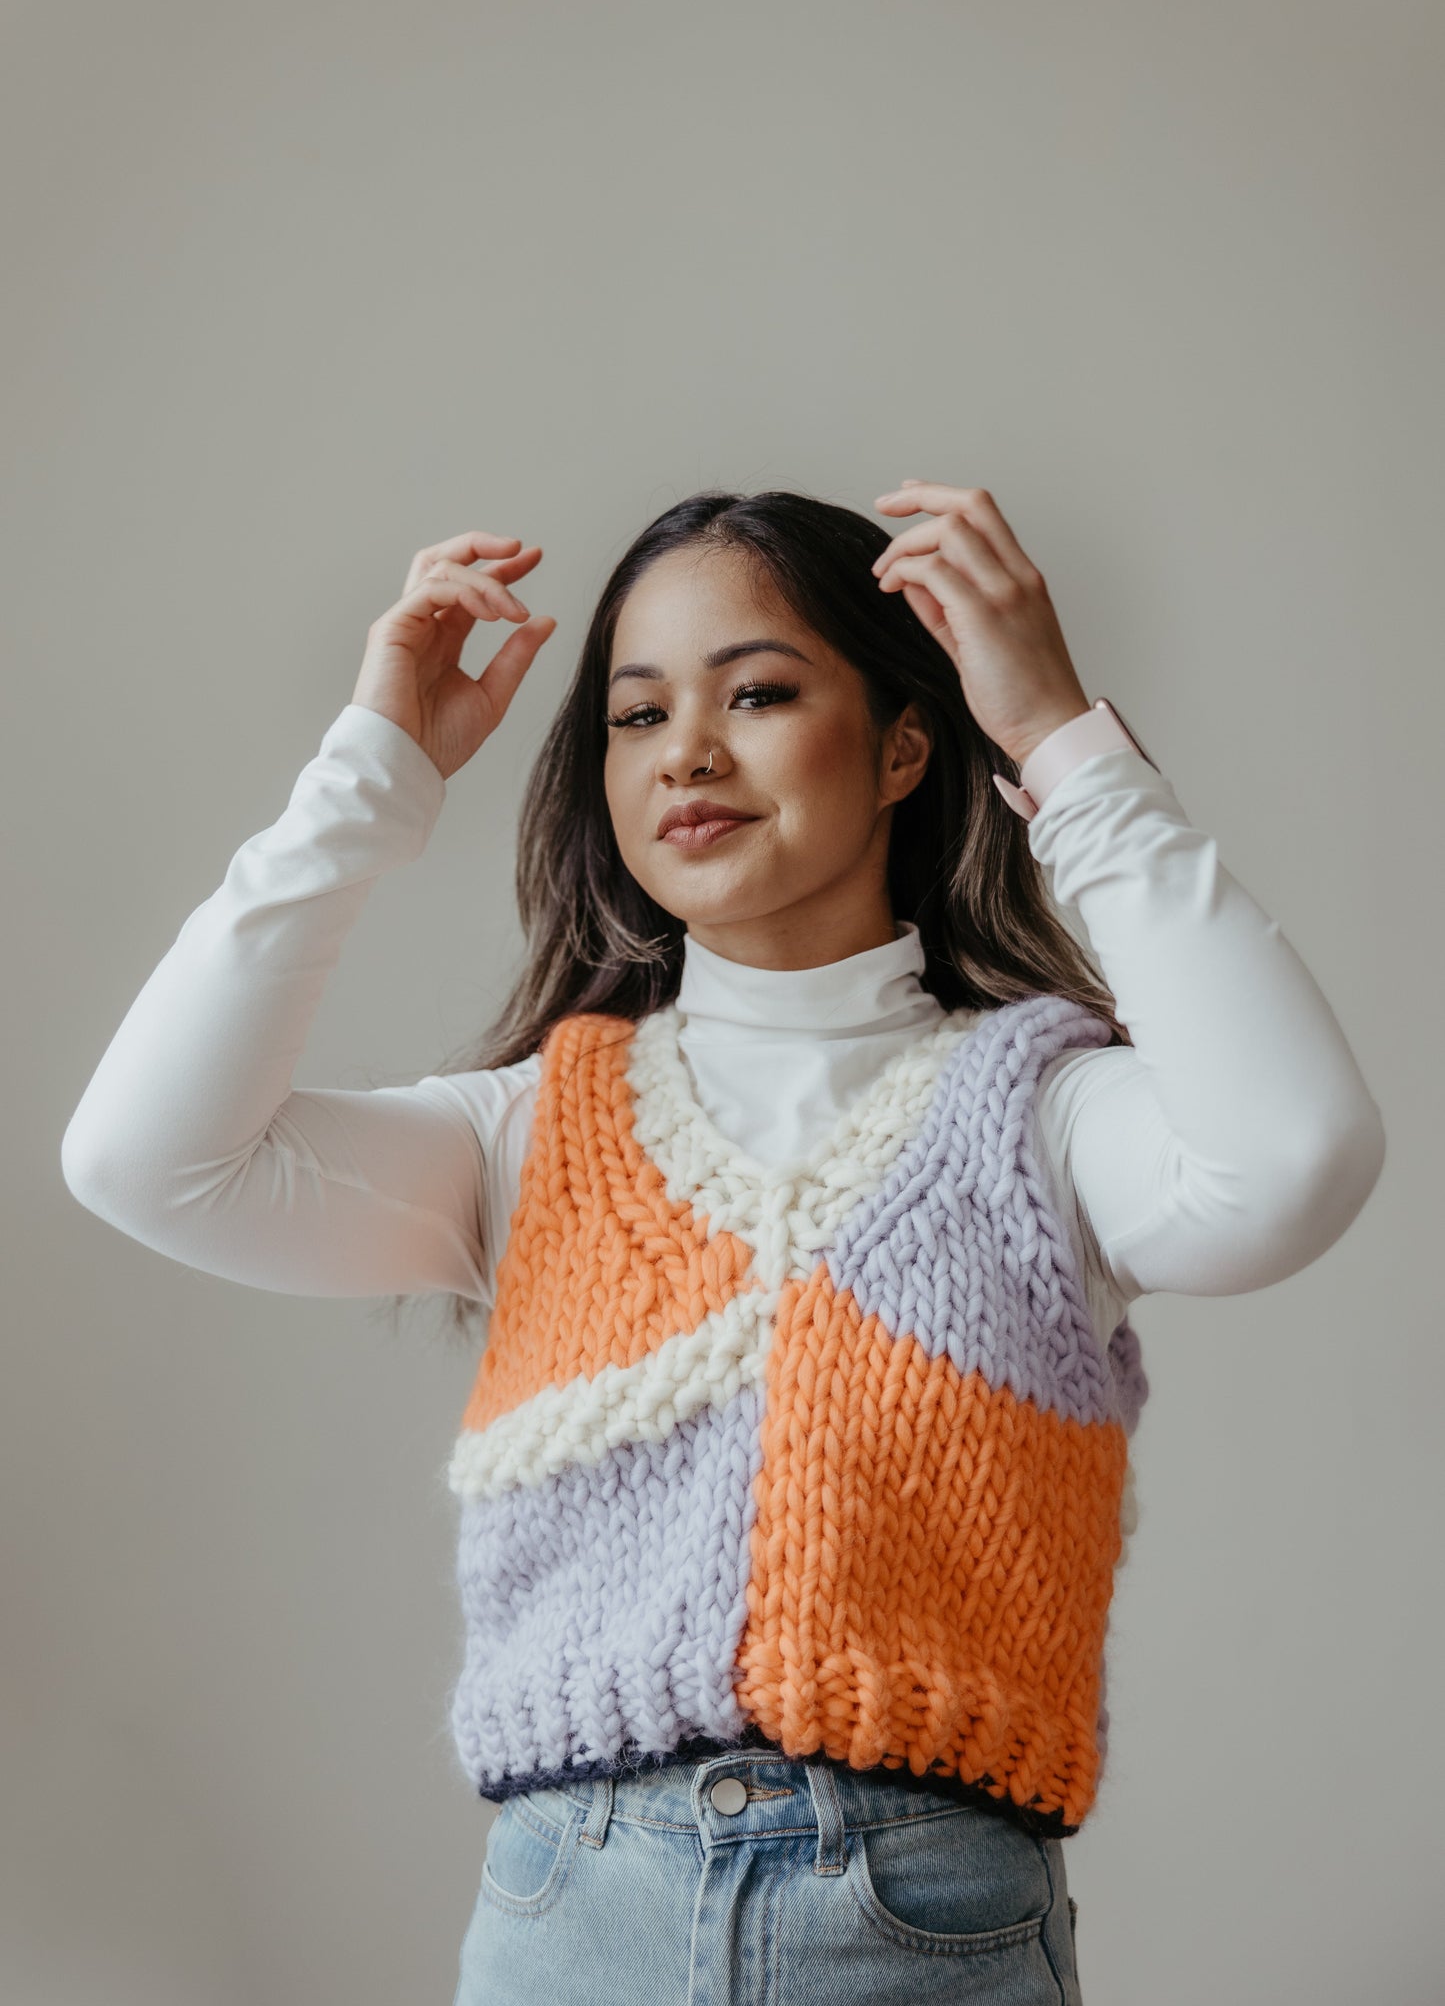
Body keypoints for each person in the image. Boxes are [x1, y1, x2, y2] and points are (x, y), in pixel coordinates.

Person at [61, 480, 1386, 2005]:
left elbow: (1298, 1154)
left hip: (923, 1918)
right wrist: (372, 780)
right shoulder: (520, 1136)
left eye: (757, 691)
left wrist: (1063, 745)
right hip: (573, 1914)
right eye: (636, 717)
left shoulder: (1050, 1118)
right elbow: (144, 1159)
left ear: (904, 743)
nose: (687, 749)